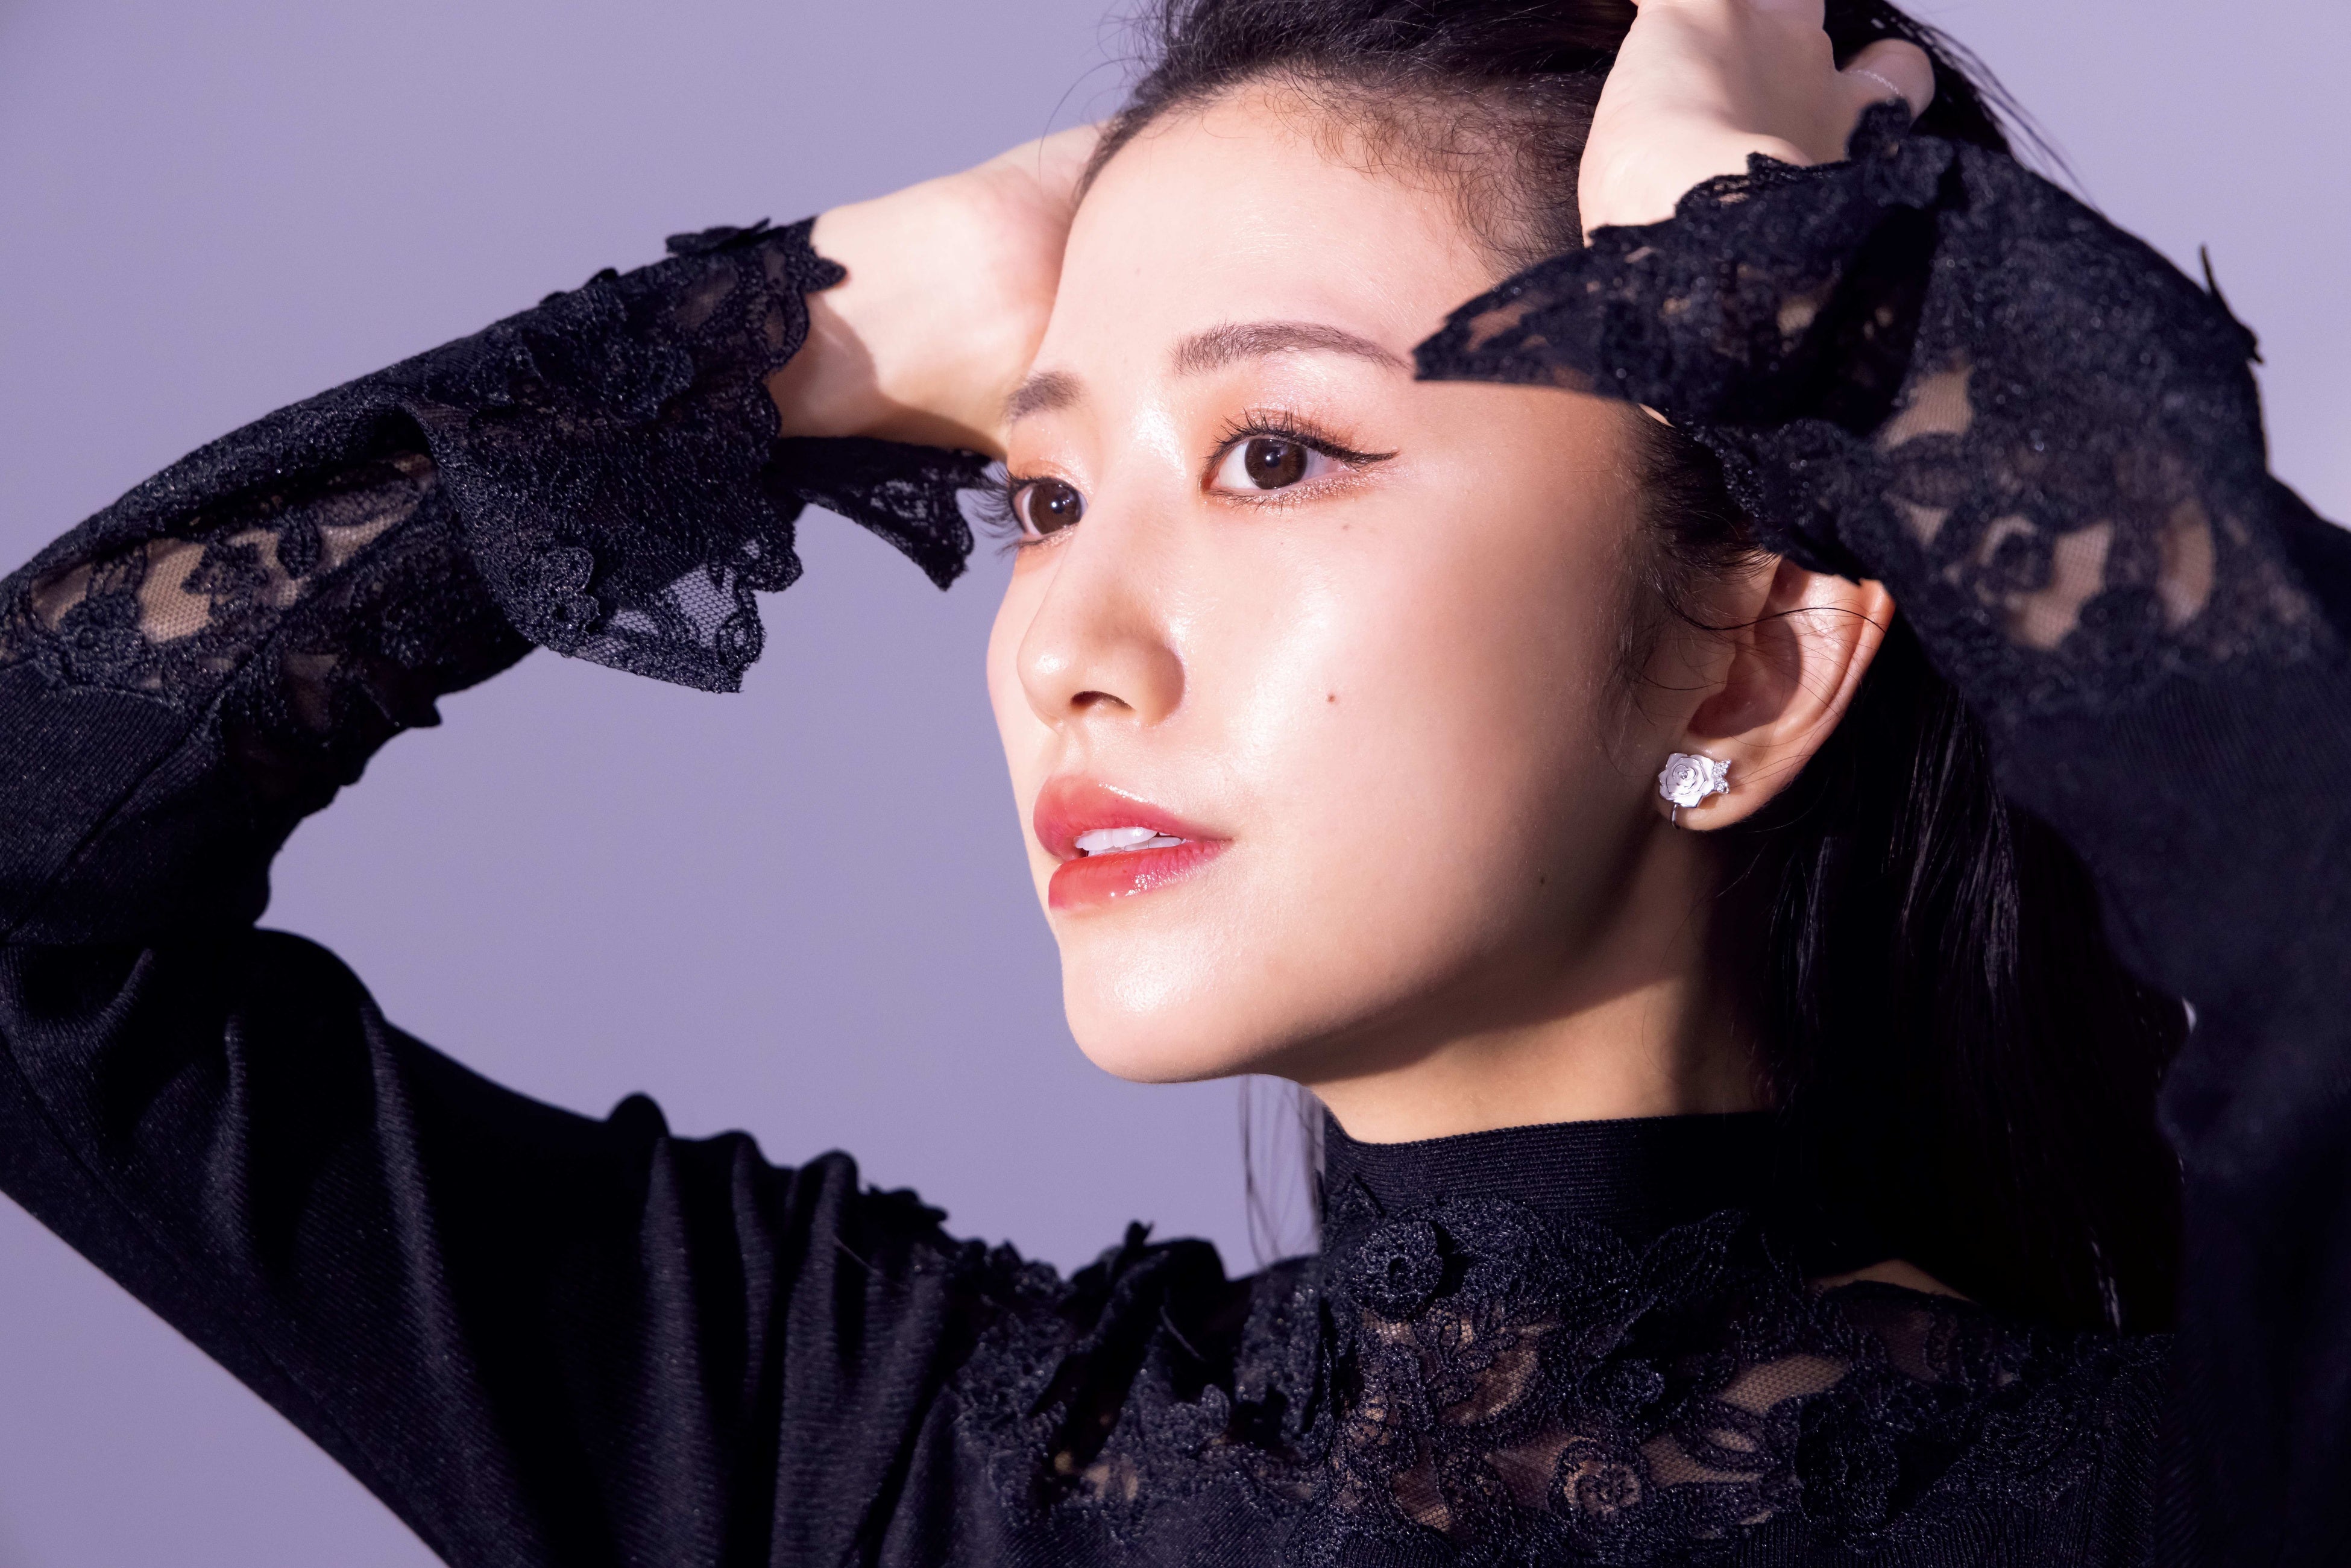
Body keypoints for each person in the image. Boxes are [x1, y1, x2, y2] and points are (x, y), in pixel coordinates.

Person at [1, 0, 2343, 1561]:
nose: (1065, 648)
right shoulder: (870, 1457)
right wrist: (810, 321)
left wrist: (1824, 288)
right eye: (1043, 498)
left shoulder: (2177, 1493)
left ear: (1751, 647)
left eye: (1275, 452)